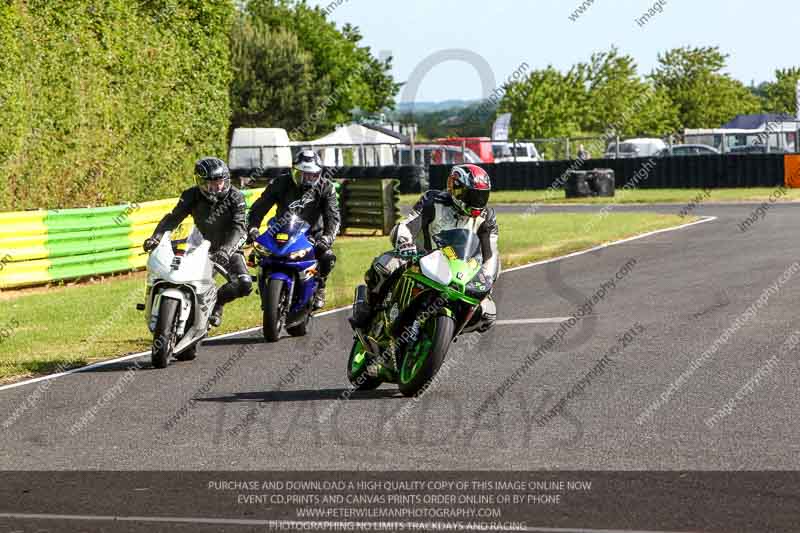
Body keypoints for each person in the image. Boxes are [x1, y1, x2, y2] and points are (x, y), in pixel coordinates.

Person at [352, 163, 499, 334]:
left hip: (460, 272)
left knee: (488, 313)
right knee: (385, 266)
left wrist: (488, 278)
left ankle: (444, 333)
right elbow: (407, 225)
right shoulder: (433, 200)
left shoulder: (487, 217)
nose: (477, 202)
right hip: (421, 260)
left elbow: (491, 255)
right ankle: (366, 305)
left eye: (481, 196)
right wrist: (405, 242)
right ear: (457, 189)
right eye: (472, 195)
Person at [143, 157, 251, 327]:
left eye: (219, 182)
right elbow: (173, 218)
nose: (216, 187)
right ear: (200, 183)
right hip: (199, 246)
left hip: (227, 248)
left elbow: (239, 227)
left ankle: (217, 304)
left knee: (244, 284)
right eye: (210, 183)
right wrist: (156, 238)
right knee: (176, 276)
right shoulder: (191, 195)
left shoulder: (236, 197)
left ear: (226, 180)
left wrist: (225, 250)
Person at [246, 149, 340, 309]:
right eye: (302, 174)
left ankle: (320, 286)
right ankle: (265, 285)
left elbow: (333, 216)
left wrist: (327, 237)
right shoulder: (279, 183)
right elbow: (259, 207)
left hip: (312, 234)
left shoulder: (326, 187)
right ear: (293, 171)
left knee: (327, 257)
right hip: (281, 231)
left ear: (319, 174)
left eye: (312, 175)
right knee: (259, 254)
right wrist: (253, 227)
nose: (306, 179)